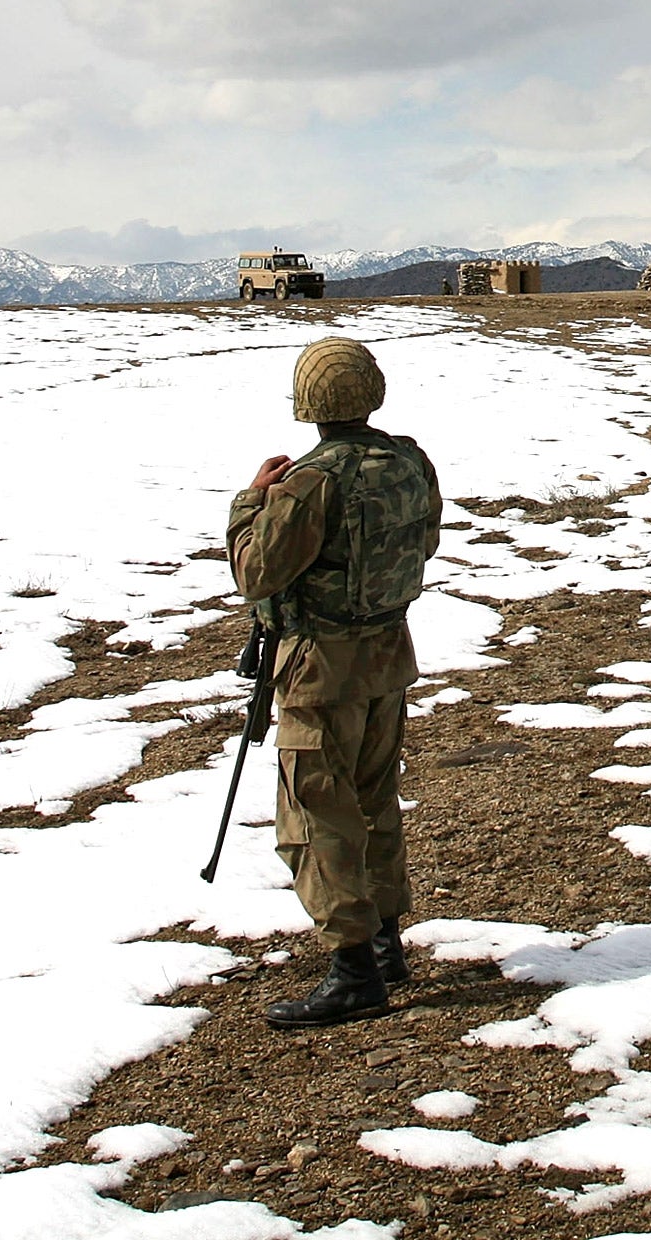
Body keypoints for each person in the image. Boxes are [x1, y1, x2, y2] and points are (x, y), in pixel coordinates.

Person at [227, 337, 442, 1029]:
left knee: (316, 813)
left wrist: (247, 504)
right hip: (387, 651)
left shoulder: (307, 483)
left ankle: (354, 969)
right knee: (374, 800)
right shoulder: (409, 461)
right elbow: (424, 541)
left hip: (321, 666)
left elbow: (256, 574)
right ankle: (384, 941)